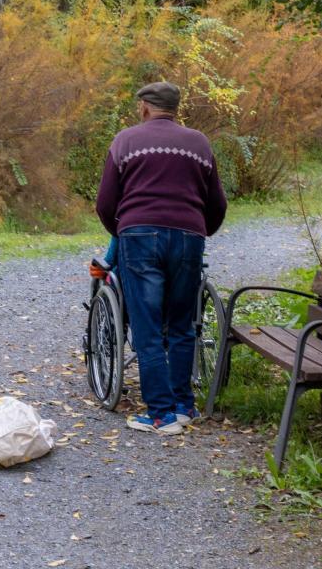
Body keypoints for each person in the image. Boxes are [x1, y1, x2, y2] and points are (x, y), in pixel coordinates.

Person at [95, 81, 228, 435]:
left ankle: (161, 414)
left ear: (144, 107)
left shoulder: (125, 141)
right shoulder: (199, 143)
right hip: (189, 236)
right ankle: (184, 406)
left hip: (139, 236)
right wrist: (199, 230)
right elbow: (218, 204)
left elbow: (106, 203)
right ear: (176, 108)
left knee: (148, 325)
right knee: (184, 325)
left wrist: (121, 231)